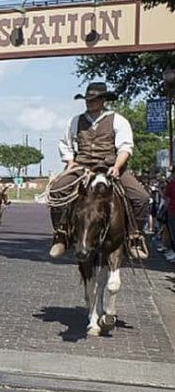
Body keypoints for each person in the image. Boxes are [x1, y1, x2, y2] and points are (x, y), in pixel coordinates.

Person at [49, 82, 150, 260]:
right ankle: (61, 235)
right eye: (87, 99)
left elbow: (125, 147)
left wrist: (117, 167)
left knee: (141, 197)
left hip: (110, 166)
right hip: (83, 166)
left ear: (103, 100)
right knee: (56, 190)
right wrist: (70, 161)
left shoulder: (118, 120)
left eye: (93, 99)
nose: (89, 102)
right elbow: (65, 143)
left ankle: (134, 237)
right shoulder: (75, 120)